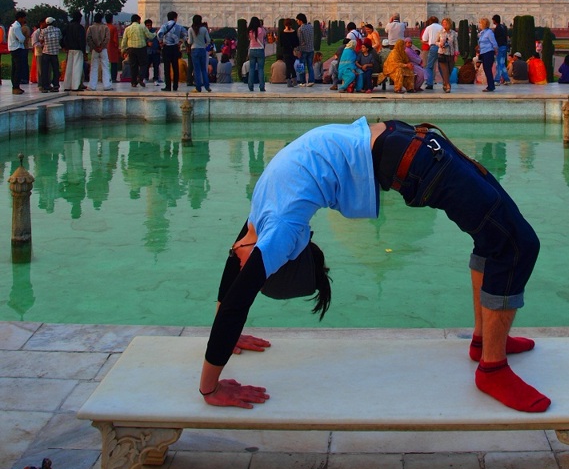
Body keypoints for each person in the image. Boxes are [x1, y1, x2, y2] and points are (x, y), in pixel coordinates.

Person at [198, 118, 549, 414]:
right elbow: (235, 287)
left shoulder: (276, 231)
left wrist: (209, 389)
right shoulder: (266, 218)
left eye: (254, 271)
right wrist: (225, 341)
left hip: (414, 152)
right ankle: (492, 367)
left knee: (501, 239)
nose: (244, 265)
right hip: (415, 158)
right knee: (515, 243)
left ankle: (485, 343)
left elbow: (235, 299)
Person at [121, 14, 155, 88]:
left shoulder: (127, 29)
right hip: (141, 48)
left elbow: (124, 41)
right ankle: (140, 77)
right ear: (137, 20)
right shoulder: (142, 27)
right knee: (143, 64)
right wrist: (156, 33)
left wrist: (123, 50)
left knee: (133, 65)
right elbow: (150, 36)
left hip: (131, 49)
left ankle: (133, 82)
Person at [157, 11, 186, 92]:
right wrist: (180, 42)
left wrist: (161, 42)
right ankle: (175, 86)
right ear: (175, 18)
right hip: (175, 48)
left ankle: (168, 86)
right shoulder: (179, 26)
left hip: (166, 48)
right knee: (175, 67)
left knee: (166, 68)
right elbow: (185, 34)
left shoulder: (164, 25)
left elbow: (159, 34)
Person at [61, 11, 86, 91]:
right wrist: (84, 51)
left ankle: (67, 85)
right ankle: (75, 86)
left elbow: (62, 36)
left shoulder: (68, 27)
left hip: (70, 49)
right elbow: (82, 40)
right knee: (77, 68)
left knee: (69, 68)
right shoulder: (80, 28)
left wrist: (63, 46)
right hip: (78, 49)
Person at [86, 13, 113, 90]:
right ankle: (107, 85)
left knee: (94, 67)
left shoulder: (91, 28)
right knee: (105, 66)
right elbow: (107, 38)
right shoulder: (105, 28)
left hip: (95, 50)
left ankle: (92, 85)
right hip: (103, 49)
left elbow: (89, 39)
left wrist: (94, 47)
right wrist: (102, 46)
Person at [188, 14, 212, 92]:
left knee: (196, 70)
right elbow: (208, 40)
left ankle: (198, 87)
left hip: (194, 50)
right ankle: (207, 86)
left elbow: (190, 41)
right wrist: (204, 45)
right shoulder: (204, 29)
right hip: (202, 50)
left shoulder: (191, 29)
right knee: (203, 69)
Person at [40, 17, 62, 93]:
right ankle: (55, 85)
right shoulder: (58, 30)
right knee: (55, 70)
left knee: (45, 70)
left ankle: (45, 86)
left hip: (46, 52)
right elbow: (60, 38)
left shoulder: (44, 31)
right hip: (55, 52)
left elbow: (41, 40)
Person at [8, 10, 29, 94]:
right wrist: (23, 37)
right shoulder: (16, 27)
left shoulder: (13, 26)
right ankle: (16, 87)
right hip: (17, 49)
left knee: (15, 69)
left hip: (14, 49)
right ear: (20, 18)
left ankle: (15, 86)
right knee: (18, 69)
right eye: (23, 18)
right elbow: (21, 39)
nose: (24, 20)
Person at [436, 18, 458, 92]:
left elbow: (456, 44)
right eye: (443, 23)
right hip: (442, 53)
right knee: (445, 70)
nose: (444, 24)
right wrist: (440, 44)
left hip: (451, 54)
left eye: (445, 23)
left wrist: (456, 55)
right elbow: (436, 41)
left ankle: (445, 83)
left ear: (449, 24)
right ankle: (448, 85)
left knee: (449, 70)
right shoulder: (440, 32)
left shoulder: (454, 33)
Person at [420, 16, 442, 90]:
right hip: (442, 47)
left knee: (429, 66)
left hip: (433, 47)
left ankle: (430, 83)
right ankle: (446, 83)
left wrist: (429, 42)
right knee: (443, 66)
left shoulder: (429, 27)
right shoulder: (441, 27)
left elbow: (424, 39)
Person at [477, 18, 498, 92]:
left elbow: (494, 42)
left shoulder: (489, 32)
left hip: (488, 52)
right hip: (483, 52)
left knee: (488, 69)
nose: (479, 25)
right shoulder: (482, 33)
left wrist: (496, 51)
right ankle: (490, 85)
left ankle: (491, 86)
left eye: (480, 23)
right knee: (486, 69)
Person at [247, 16, 267, 92]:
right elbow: (265, 34)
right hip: (260, 50)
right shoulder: (261, 30)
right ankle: (262, 86)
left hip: (252, 50)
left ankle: (250, 86)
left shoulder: (250, 31)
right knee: (260, 69)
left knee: (251, 69)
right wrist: (261, 26)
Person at [295, 13, 315, 86]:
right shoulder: (311, 27)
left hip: (303, 50)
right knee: (310, 66)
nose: (297, 22)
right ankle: (311, 81)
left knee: (301, 66)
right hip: (311, 49)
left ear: (300, 21)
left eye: (297, 20)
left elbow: (299, 41)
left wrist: (297, 50)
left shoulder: (300, 29)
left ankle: (302, 82)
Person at [491, 15, 510, 85]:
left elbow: (494, 39)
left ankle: (497, 80)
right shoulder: (503, 27)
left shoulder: (497, 28)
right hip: (504, 46)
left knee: (499, 64)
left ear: (494, 20)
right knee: (502, 64)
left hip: (500, 47)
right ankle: (507, 79)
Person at [104, 12, 122, 83]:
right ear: (112, 19)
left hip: (105, 48)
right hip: (112, 48)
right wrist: (117, 46)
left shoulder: (104, 27)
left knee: (105, 64)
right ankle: (113, 78)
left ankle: (106, 78)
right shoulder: (113, 28)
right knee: (114, 64)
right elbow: (115, 40)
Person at [144, 19, 162, 84]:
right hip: (147, 51)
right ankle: (146, 78)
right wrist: (147, 43)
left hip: (155, 51)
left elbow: (159, 40)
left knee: (156, 66)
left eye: (150, 25)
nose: (149, 27)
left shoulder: (155, 31)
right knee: (146, 66)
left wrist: (159, 48)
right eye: (147, 25)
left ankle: (156, 79)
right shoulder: (144, 32)